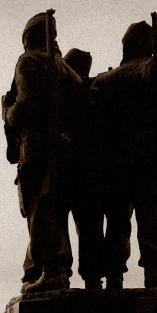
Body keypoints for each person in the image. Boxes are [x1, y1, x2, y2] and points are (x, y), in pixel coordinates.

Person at [90, 21, 157, 289]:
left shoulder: (104, 81)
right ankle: (154, 272)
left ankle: (114, 276)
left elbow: (91, 128)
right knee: (154, 218)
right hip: (153, 161)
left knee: (116, 223)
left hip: (114, 165)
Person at [2, 12, 83, 293]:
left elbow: (24, 107)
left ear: (28, 38)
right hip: (65, 149)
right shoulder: (67, 71)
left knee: (42, 209)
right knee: (55, 208)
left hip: (37, 149)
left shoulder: (28, 62)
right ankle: (56, 269)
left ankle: (53, 271)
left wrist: (7, 112)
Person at [63, 48, 105, 290]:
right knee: (90, 229)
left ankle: (72, 274)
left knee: (66, 225)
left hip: (75, 171)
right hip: (90, 173)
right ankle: (92, 276)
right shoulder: (97, 90)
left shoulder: (69, 92)